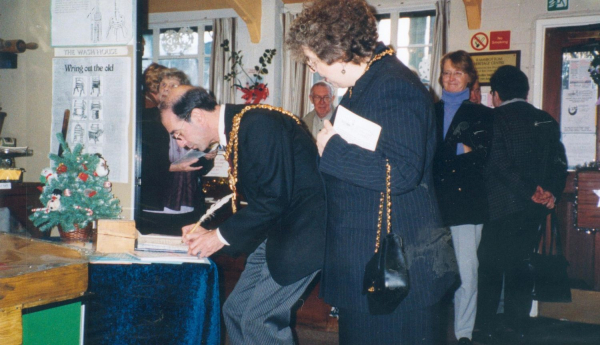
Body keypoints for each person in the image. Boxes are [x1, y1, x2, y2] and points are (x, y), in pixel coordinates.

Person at [287, 1, 457, 343]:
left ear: (336, 50)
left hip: (395, 269)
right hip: (371, 258)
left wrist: (331, 150)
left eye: (313, 60)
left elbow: (404, 170)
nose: (315, 70)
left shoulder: (391, 85)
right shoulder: (368, 84)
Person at [160, 85, 326, 344]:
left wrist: (219, 236)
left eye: (178, 134)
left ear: (198, 116)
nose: (180, 144)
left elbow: (272, 199)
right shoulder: (242, 125)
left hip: (304, 234)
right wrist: (208, 230)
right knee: (235, 311)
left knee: (259, 320)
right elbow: (255, 197)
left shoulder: (258, 124)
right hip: (280, 231)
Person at [476, 65, 568, 343]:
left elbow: (498, 163)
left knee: (490, 268)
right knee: (520, 265)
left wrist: (530, 191)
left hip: (499, 208)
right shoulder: (546, 120)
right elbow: (560, 162)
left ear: (495, 94)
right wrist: (549, 193)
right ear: (525, 92)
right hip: (532, 211)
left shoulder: (492, 119)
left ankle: (486, 327)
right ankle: (517, 326)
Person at [433, 50, 493, 345]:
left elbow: (482, 157)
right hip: (432, 203)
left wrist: (447, 154)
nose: (451, 78)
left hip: (466, 203)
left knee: (467, 271)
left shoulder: (483, 114)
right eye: (446, 72)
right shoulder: (429, 111)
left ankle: (463, 334)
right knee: (433, 269)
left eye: (457, 73)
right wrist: (459, 149)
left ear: (469, 77)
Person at [138, 68, 214, 235]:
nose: (166, 88)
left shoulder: (192, 119)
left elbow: (201, 168)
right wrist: (171, 168)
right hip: (154, 204)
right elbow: (139, 162)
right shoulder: (145, 118)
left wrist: (206, 156)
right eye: (163, 84)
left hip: (187, 203)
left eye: (173, 85)